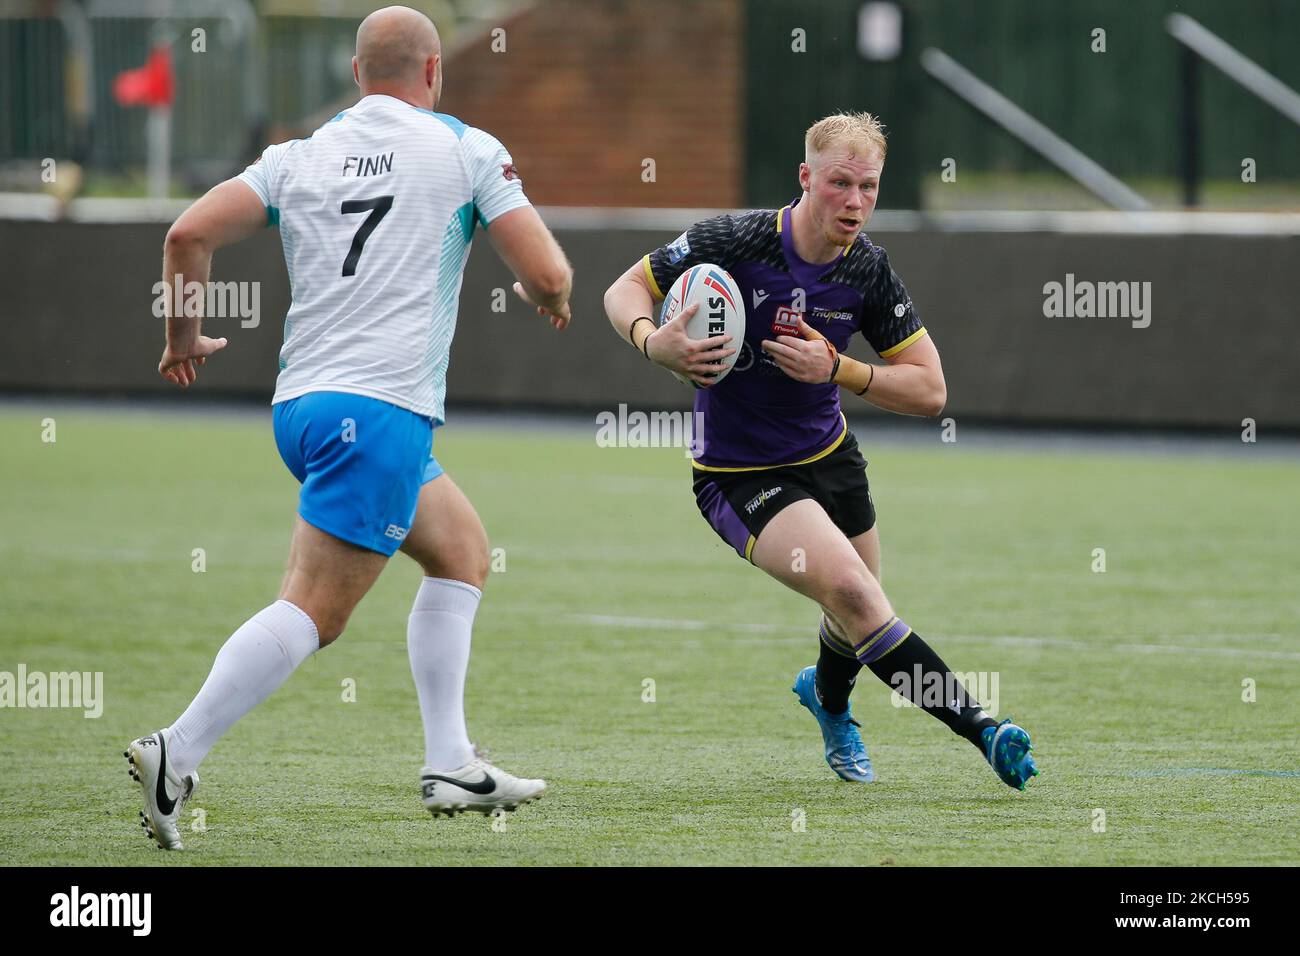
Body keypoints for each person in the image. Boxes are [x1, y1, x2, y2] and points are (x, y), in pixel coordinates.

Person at [126, 5, 573, 849]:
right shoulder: (463, 146)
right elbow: (547, 269)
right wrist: (547, 297)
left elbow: (186, 233)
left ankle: (451, 762)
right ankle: (175, 751)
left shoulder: (299, 155)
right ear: (434, 72)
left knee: (461, 552)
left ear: (357, 73)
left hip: (303, 409)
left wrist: (183, 340)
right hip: (382, 413)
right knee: (315, 614)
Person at [602, 112, 1038, 790]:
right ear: (806, 178)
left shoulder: (867, 270)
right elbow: (625, 287)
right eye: (840, 183)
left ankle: (829, 702)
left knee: (855, 610)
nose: (856, 202)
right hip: (740, 473)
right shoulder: (737, 240)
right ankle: (983, 729)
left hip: (831, 459)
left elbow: (930, 391)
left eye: (869, 187)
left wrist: (839, 368)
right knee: (857, 595)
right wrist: (649, 339)